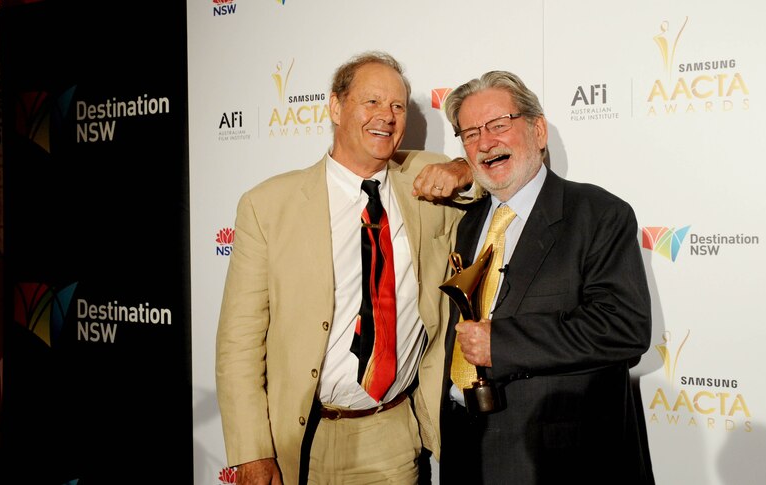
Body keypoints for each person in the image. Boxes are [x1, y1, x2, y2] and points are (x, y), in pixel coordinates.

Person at [215, 51, 473, 485]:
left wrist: (462, 167)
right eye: (371, 102)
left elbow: (501, 173)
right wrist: (252, 453)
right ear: (335, 107)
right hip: (297, 437)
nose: (386, 117)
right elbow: (239, 343)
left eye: (396, 106)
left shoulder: (425, 180)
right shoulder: (268, 205)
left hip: (389, 433)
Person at [439, 70, 654, 484]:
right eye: (470, 133)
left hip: (557, 461)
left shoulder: (598, 213)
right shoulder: (466, 225)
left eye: (499, 125)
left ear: (538, 131)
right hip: (466, 454)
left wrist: (499, 343)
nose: (485, 142)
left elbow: (624, 328)